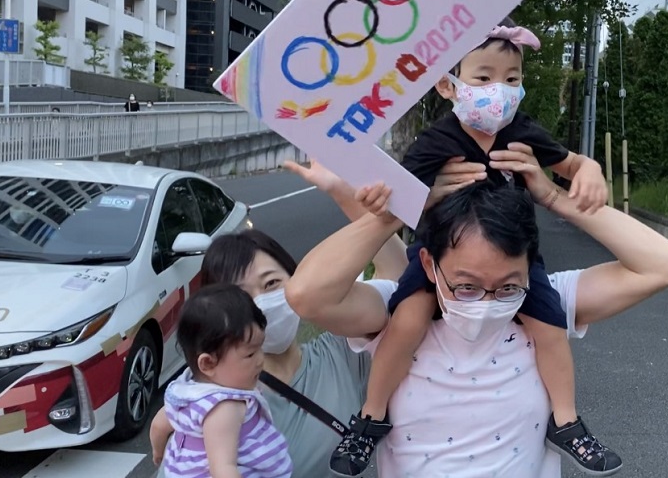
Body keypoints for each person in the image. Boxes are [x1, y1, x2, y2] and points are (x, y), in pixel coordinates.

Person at [285, 142, 668, 477]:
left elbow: (665, 264)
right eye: (466, 286)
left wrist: (555, 198)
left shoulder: (546, 307)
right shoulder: (398, 312)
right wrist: (398, 210)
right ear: (428, 264)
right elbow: (307, 295)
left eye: (508, 286)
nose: (487, 302)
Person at [329, 17, 614, 477]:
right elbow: (396, 193)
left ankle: (566, 422)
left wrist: (591, 171)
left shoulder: (523, 131)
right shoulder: (438, 140)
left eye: (511, 80)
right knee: (406, 322)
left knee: (549, 329)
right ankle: (370, 417)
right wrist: (387, 194)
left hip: (514, 259)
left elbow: (572, 163)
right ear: (448, 84)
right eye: (483, 78)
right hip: (440, 255)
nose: (498, 90)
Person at [150, 159, 472, 477]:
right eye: (241, 295)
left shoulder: (343, 351)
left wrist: (342, 192)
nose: (259, 303)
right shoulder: (210, 402)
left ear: (296, 280)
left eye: (273, 284)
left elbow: (398, 279)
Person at [149, 284, 294, 478]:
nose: (261, 359)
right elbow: (223, 469)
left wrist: (159, 454)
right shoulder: (224, 408)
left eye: (260, 348)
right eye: (250, 354)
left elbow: (158, 427)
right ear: (208, 363)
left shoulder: (187, 393)